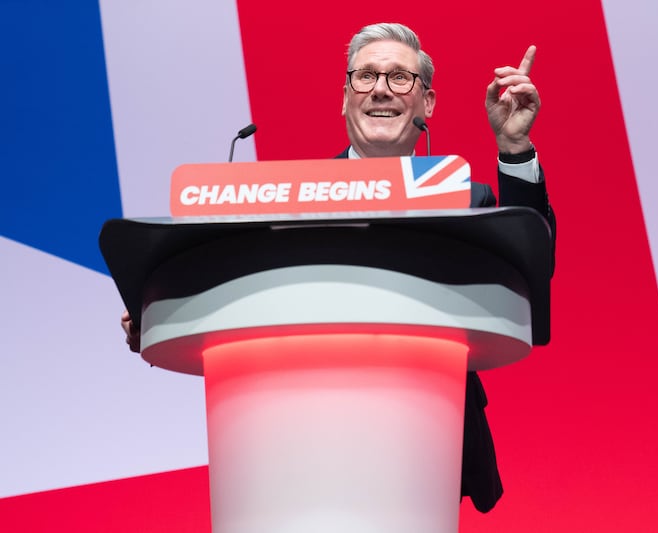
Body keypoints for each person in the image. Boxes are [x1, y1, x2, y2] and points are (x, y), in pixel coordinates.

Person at [122, 22, 555, 513]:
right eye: (365, 77)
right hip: (291, 443)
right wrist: (163, 306)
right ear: (345, 97)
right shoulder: (286, 202)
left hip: (424, 443)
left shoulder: (464, 200)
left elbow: (532, 264)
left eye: (399, 78)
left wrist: (514, 149)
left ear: (428, 103)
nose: (380, 91)